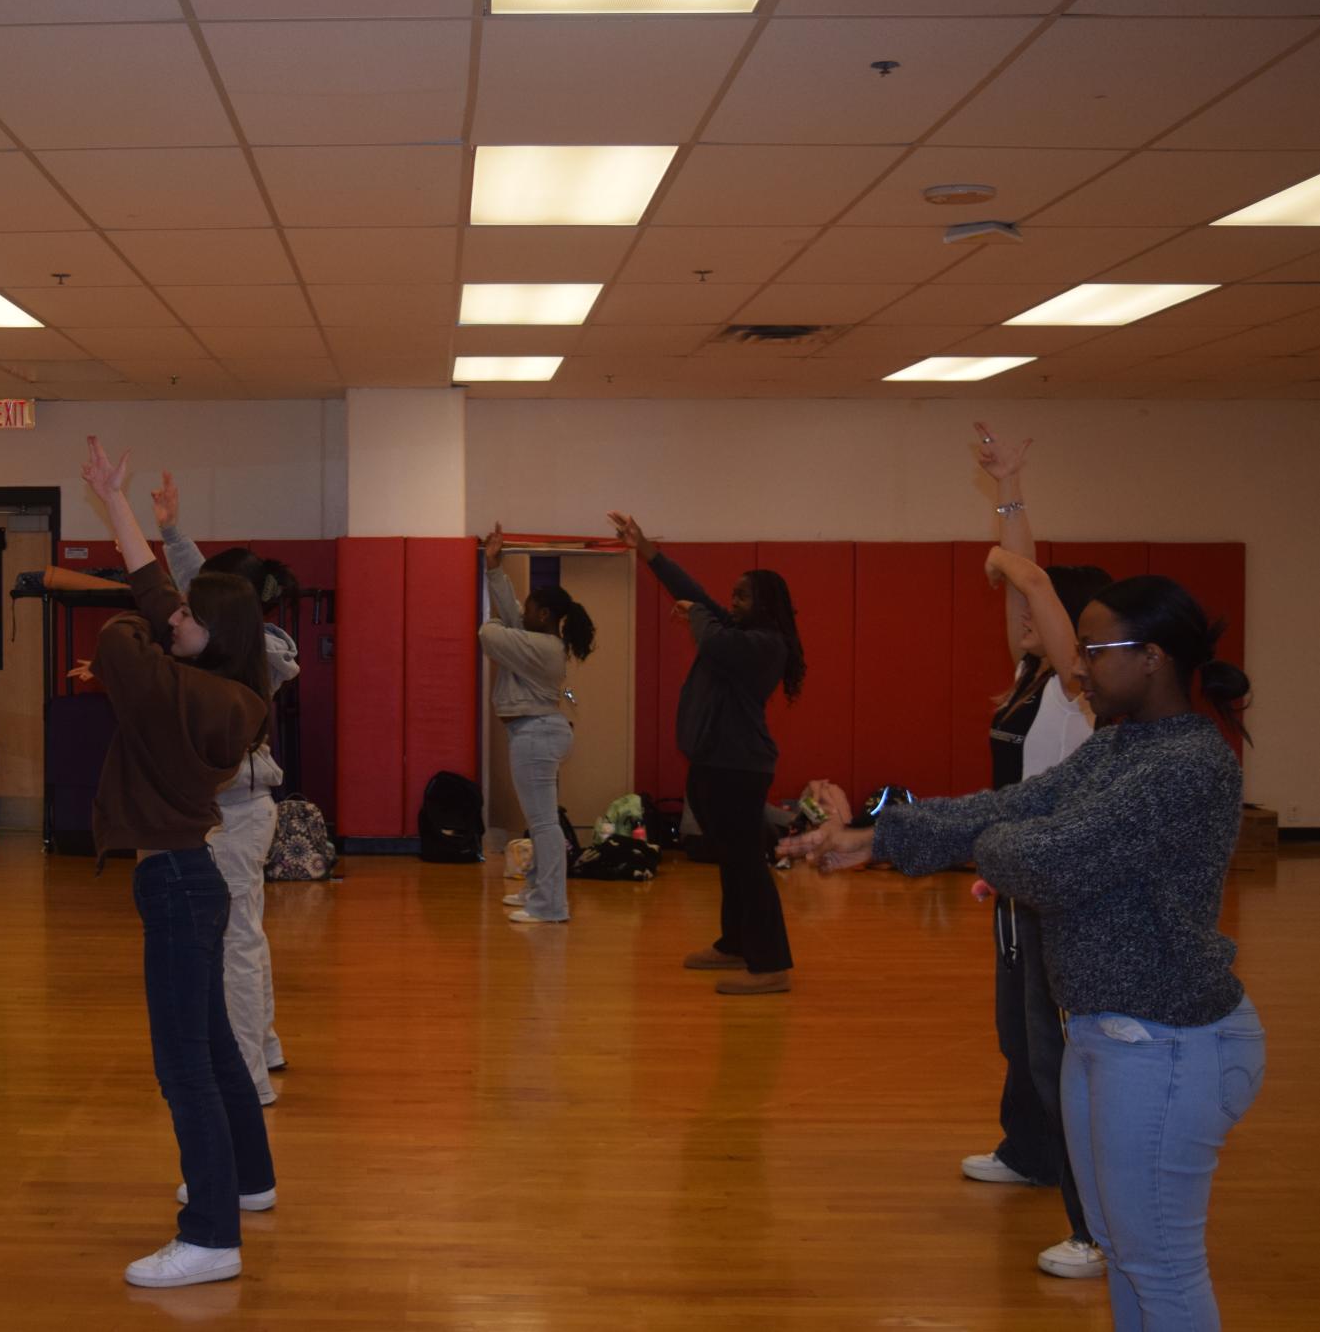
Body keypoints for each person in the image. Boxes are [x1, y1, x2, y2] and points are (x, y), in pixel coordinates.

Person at [782, 576, 1262, 1332]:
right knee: (1124, 1250)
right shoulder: (1119, 749)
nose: (1078, 670)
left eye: (1094, 652)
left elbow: (1042, 857)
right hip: (1106, 1032)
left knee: (1159, 1263)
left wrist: (998, 847)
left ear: (1152, 659)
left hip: (1167, 1042)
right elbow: (1008, 808)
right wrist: (877, 838)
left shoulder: (1185, 767)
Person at [75, 437, 276, 1290]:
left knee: (182, 1064)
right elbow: (155, 598)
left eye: (190, 615)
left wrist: (152, 624)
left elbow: (126, 632)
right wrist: (117, 505)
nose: (174, 616)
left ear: (210, 634)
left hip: (176, 883)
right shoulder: (233, 693)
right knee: (215, 1050)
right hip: (193, 878)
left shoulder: (182, 692)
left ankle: (209, 1237)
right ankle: (249, 1180)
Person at [969, 424, 1114, 1281]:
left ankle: (1093, 1227)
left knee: (1055, 1048)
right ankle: (1027, 1151)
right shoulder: (1028, 677)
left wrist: (1022, 565)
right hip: (1021, 875)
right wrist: (1010, 487)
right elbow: (1019, 596)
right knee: (1017, 1038)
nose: (1021, 618)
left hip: (1063, 884)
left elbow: (1027, 587)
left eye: (1040, 611)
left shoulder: (1076, 688)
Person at [608, 511, 805, 994]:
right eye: (732, 594)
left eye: (741, 595)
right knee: (732, 860)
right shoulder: (738, 632)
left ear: (764, 604)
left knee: (746, 865)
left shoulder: (765, 644)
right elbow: (694, 594)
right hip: (715, 765)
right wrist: (646, 548)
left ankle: (771, 965)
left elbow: (710, 633)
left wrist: (696, 613)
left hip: (739, 769)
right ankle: (735, 943)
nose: (732, 600)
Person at [150, 470, 298, 1104]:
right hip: (237, 810)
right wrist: (171, 531)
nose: (187, 613)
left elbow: (208, 592)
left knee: (236, 940)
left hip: (238, 814)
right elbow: (202, 584)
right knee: (246, 934)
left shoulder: (258, 651)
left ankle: (249, 1077)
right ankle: (261, 1045)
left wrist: (171, 537)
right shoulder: (244, 640)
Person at [478, 523, 595, 924]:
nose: (522, 612)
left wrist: (495, 622)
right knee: (539, 820)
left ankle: (551, 905)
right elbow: (511, 614)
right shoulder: (541, 642)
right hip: (537, 733)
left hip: (536, 735)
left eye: (530, 607)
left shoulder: (543, 648)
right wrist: (493, 566)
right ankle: (538, 890)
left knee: (544, 823)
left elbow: (490, 633)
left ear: (543, 615)